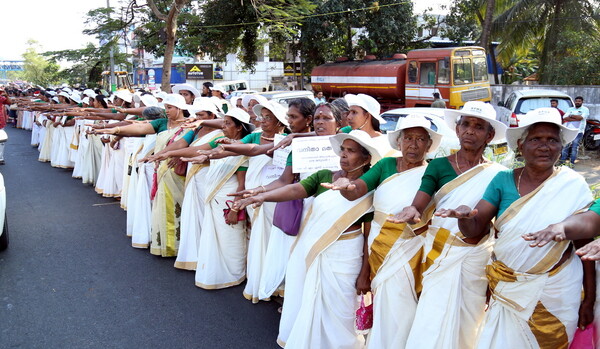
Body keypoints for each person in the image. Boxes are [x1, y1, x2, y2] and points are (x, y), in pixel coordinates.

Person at [437, 107, 595, 348]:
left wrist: (589, 299)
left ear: (561, 147)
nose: (545, 146)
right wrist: (464, 218)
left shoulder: (572, 185)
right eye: (536, 140)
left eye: (552, 140)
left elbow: (585, 246)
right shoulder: (502, 180)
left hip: (558, 290)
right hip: (507, 286)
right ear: (521, 146)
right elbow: (475, 228)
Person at [235, 130, 381, 348]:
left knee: (341, 307)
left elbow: (369, 234)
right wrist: (262, 196)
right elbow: (295, 189)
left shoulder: (369, 189)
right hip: (313, 248)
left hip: (347, 254)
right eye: (342, 150)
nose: (344, 155)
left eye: (351, 151)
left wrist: (365, 274)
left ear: (367, 158)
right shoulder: (324, 176)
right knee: (309, 298)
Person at [388, 100, 507, 349]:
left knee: (468, 319)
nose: (470, 131)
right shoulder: (440, 165)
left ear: (490, 134)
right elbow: (419, 201)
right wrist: (411, 210)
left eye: (478, 126)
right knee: (432, 316)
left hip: (476, 257)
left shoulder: (498, 174)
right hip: (441, 253)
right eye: (465, 125)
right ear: (457, 129)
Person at [324, 114, 443, 348]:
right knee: (383, 302)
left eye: (420, 139)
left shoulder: (434, 173)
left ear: (429, 145)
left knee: (403, 305)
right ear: (398, 142)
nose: (413, 144)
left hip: (412, 250)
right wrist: (345, 187)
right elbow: (358, 187)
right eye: (408, 138)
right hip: (378, 244)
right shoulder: (386, 165)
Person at [560, 96, 589, 164]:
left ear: (582, 102)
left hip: (579, 131)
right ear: (574, 101)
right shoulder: (570, 109)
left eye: (579, 101)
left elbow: (581, 118)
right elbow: (565, 117)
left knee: (574, 147)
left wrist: (571, 116)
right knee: (565, 146)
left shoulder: (585, 109)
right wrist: (576, 117)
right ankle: (562, 161)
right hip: (569, 130)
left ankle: (572, 162)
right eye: (576, 101)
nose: (577, 102)